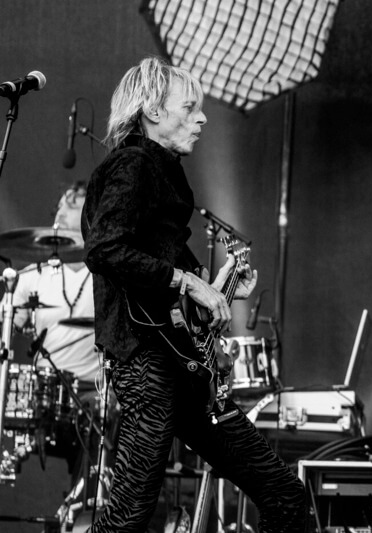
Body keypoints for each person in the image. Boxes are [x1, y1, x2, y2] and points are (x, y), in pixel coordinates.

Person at [81, 57, 306, 532]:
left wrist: (222, 288)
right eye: (191, 108)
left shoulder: (164, 172)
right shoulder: (133, 164)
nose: (203, 119)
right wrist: (188, 281)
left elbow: (166, 280)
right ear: (153, 111)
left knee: (283, 492)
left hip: (179, 364)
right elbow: (105, 248)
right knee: (128, 512)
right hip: (145, 363)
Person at [7, 181, 107, 481]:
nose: (60, 211)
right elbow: (7, 326)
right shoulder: (30, 278)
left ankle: (83, 516)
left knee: (102, 433)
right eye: (60, 205)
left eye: (72, 204)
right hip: (39, 394)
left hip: (92, 396)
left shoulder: (110, 278)